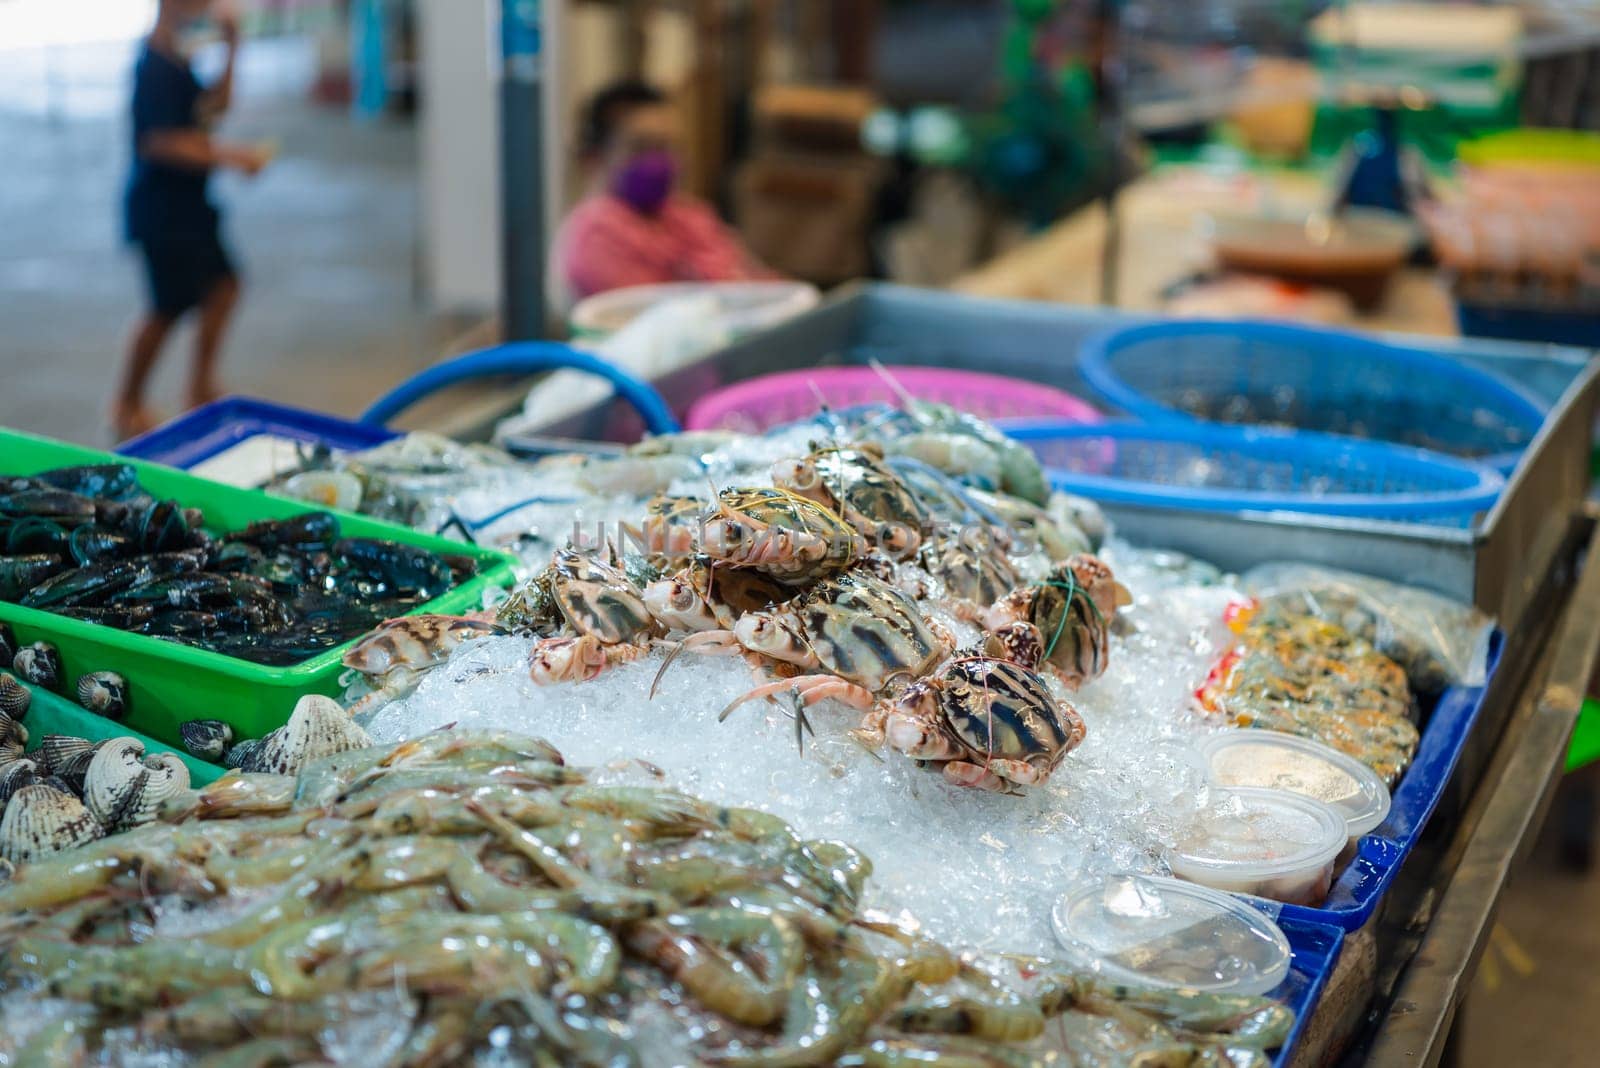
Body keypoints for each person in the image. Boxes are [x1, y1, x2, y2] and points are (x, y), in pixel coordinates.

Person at [115, 0, 271, 440]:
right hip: (161, 208)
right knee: (165, 308)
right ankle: (126, 403)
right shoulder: (153, 64)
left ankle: (200, 387)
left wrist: (233, 48)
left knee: (224, 285)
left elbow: (212, 109)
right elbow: (159, 142)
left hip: (190, 205)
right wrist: (232, 157)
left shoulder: (179, 57)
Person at [552, 82, 776, 306]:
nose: (658, 161)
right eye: (641, 147)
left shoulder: (689, 216)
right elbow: (653, 323)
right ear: (594, 157)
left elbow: (757, 279)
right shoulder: (595, 236)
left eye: (667, 147)